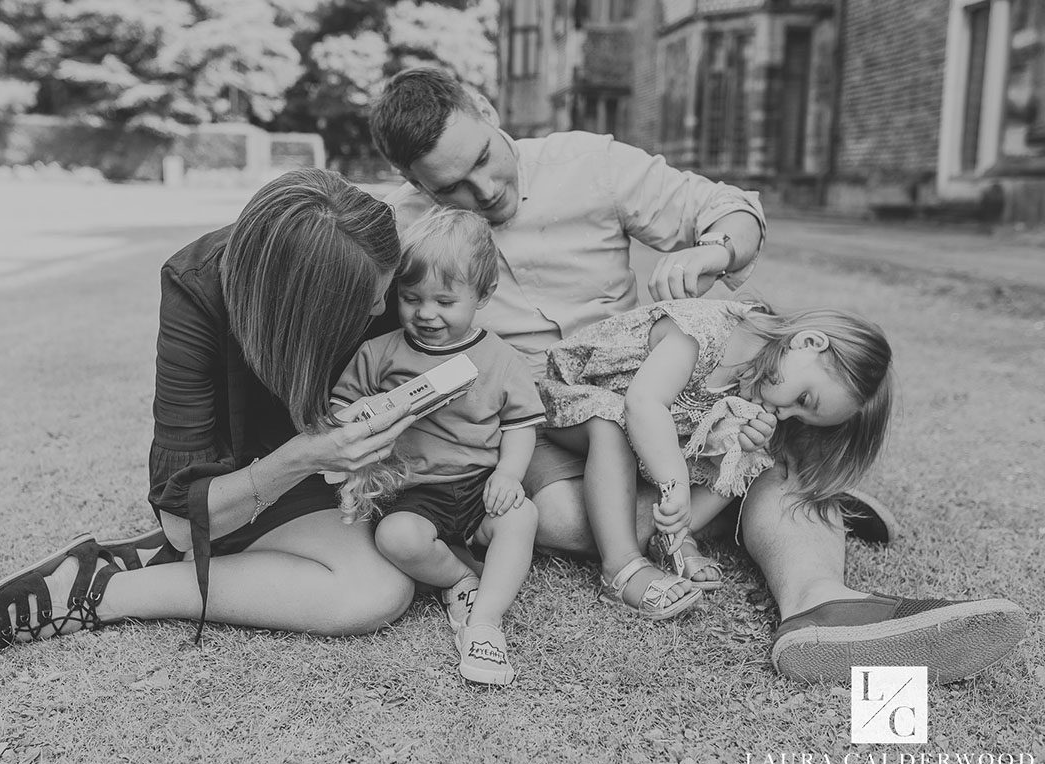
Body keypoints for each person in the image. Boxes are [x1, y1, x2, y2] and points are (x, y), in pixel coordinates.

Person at [368, 67, 1027, 684]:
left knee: (756, 431)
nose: (482, 192)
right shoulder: (400, 228)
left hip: (647, 393)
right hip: (542, 426)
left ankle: (819, 605)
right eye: (448, 186)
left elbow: (727, 208)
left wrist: (714, 248)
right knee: (564, 517)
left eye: (483, 158)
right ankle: (777, 507)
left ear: (485, 109)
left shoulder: (589, 164)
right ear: (410, 181)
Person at [0, 168, 420, 660]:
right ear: (304, 310)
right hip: (252, 473)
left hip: (331, 478)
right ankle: (101, 590)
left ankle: (206, 545)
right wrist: (304, 456)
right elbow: (180, 514)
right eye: (366, 307)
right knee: (372, 593)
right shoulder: (196, 288)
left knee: (404, 559)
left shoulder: (374, 264)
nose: (384, 309)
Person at [540, 299, 892, 619]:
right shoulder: (702, 331)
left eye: (798, 415)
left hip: (652, 433)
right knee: (610, 424)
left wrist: (740, 445)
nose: (785, 414)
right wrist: (673, 481)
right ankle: (620, 565)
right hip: (576, 398)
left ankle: (676, 536)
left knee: (751, 454)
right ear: (807, 343)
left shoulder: (757, 378)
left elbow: (704, 435)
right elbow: (644, 403)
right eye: (802, 398)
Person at [331, 207, 544, 685]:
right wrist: (368, 410)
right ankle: (458, 578)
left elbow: (520, 425)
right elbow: (342, 409)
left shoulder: (502, 358)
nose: (425, 314)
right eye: (410, 298)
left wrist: (509, 475)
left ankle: (485, 622)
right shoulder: (380, 352)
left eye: (445, 301)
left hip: (479, 485)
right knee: (395, 539)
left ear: (483, 294)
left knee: (522, 517)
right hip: (412, 490)